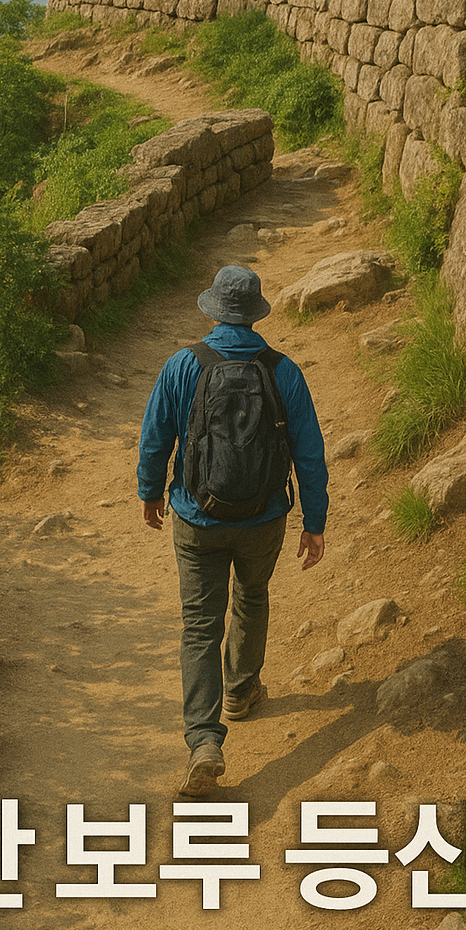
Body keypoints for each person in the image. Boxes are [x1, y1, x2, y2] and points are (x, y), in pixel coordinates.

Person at [137, 265, 329, 796]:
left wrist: (151, 492)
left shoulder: (182, 366)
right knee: (251, 596)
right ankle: (242, 692)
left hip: (196, 517)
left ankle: (204, 740)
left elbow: (155, 439)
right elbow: (309, 454)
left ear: (213, 310)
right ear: (255, 313)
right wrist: (314, 522)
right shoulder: (283, 371)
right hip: (264, 517)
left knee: (199, 624)